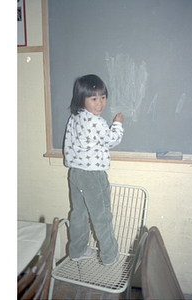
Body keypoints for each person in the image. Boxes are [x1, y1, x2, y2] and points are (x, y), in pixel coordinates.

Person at [63, 74, 124, 265]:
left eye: (103, 97)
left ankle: (77, 251)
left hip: (75, 173)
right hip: (93, 175)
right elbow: (112, 140)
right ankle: (109, 256)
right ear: (82, 98)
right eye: (94, 98)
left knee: (78, 214)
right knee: (102, 215)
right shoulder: (96, 122)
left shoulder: (75, 117)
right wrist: (118, 123)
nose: (100, 103)